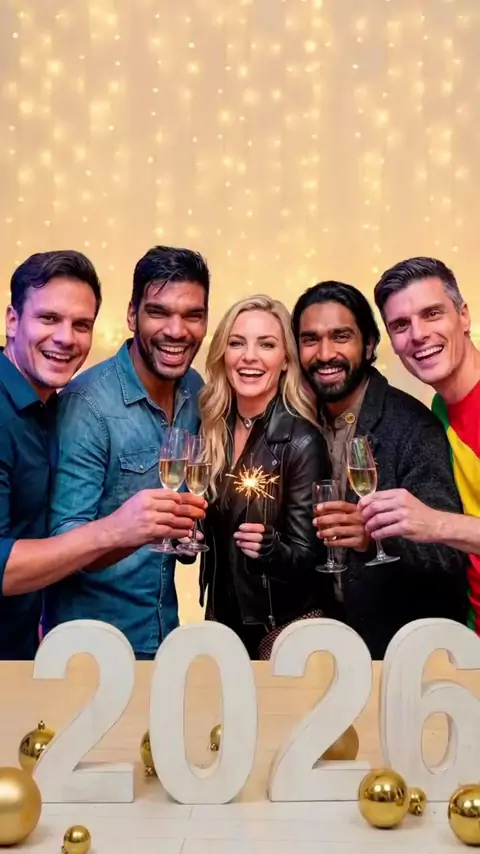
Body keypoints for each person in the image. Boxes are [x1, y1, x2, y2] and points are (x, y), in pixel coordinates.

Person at [0, 250, 203, 661]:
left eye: (81, 324)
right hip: (89, 653)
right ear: (12, 321)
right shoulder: (81, 403)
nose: (65, 338)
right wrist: (119, 529)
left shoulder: (41, 407)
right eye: (48, 318)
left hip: (33, 655)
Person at [292, 280, 468, 659]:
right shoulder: (299, 424)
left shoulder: (412, 427)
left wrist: (373, 538)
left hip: (404, 655)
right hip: (327, 650)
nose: (325, 353)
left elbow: (448, 556)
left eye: (341, 337)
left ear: (370, 345)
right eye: (310, 340)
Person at [183, 294, 331, 660]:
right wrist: (187, 540)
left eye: (266, 345)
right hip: (222, 622)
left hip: (283, 628)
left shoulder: (302, 441)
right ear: (224, 354)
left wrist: (271, 549)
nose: (250, 356)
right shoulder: (211, 430)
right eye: (237, 343)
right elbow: (208, 534)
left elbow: (312, 559)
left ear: (285, 361)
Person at [364, 256, 480, 631]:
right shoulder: (440, 409)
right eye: (401, 325)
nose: (418, 335)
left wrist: (435, 524)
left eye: (432, 314)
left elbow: (439, 526)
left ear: (463, 316)